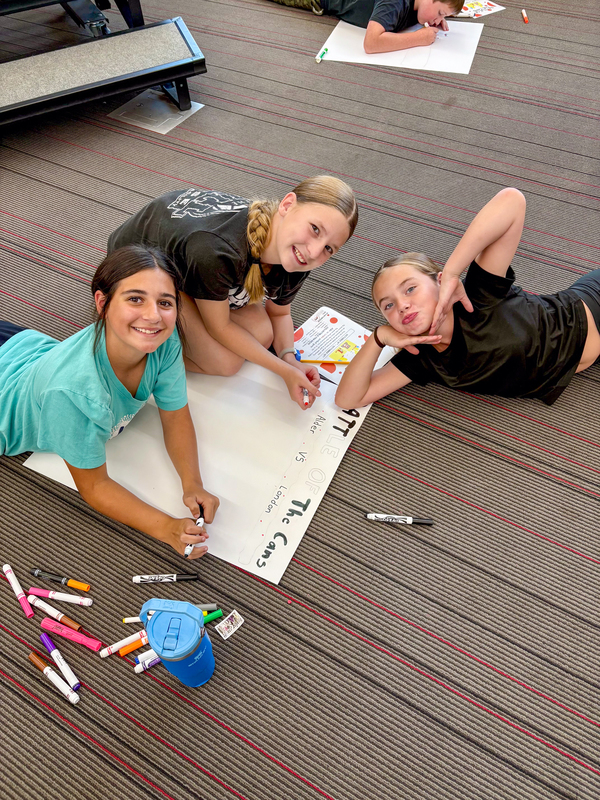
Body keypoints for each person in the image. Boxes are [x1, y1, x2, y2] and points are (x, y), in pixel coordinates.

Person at [0, 245, 219, 559]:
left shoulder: (164, 339)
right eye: (134, 299)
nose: (153, 315)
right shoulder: (72, 393)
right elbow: (96, 487)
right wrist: (166, 527)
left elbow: (175, 416)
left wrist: (193, 483)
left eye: (165, 302)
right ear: (102, 303)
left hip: (22, 347)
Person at [335, 188, 600, 409]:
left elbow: (512, 201)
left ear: (439, 283)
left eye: (410, 289)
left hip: (590, 310)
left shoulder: (478, 294)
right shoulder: (421, 358)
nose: (402, 305)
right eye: (388, 305)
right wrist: (378, 338)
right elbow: (348, 399)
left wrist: (452, 271)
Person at [108, 176, 358, 409]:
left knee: (263, 331)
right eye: (315, 228)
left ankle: (189, 311)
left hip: (187, 260)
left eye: (328, 248)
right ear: (287, 204)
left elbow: (279, 314)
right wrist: (283, 371)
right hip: (134, 270)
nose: (315, 252)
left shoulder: (298, 255)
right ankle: (135, 353)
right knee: (225, 363)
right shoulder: (217, 250)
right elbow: (220, 327)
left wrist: (289, 358)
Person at [266, 0, 463, 53]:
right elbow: (371, 43)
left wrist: (436, 16)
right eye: (440, 14)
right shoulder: (394, 3)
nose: (439, 20)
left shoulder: (421, 7)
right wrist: (418, 39)